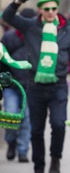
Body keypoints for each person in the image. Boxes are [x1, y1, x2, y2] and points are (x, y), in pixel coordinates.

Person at [2, 0, 70, 173]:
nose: (50, 12)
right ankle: (39, 166)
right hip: (35, 86)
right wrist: (18, 1)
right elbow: (6, 17)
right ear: (40, 10)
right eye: (46, 9)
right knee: (36, 130)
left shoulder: (69, 31)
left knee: (58, 125)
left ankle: (55, 159)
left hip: (58, 87)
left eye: (53, 8)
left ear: (57, 9)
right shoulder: (30, 26)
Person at [1, 8, 36, 163]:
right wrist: (3, 78)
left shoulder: (37, 38)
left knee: (26, 119)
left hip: (30, 87)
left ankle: (23, 150)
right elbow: (1, 60)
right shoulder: (8, 38)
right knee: (10, 116)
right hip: (12, 86)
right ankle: (11, 142)